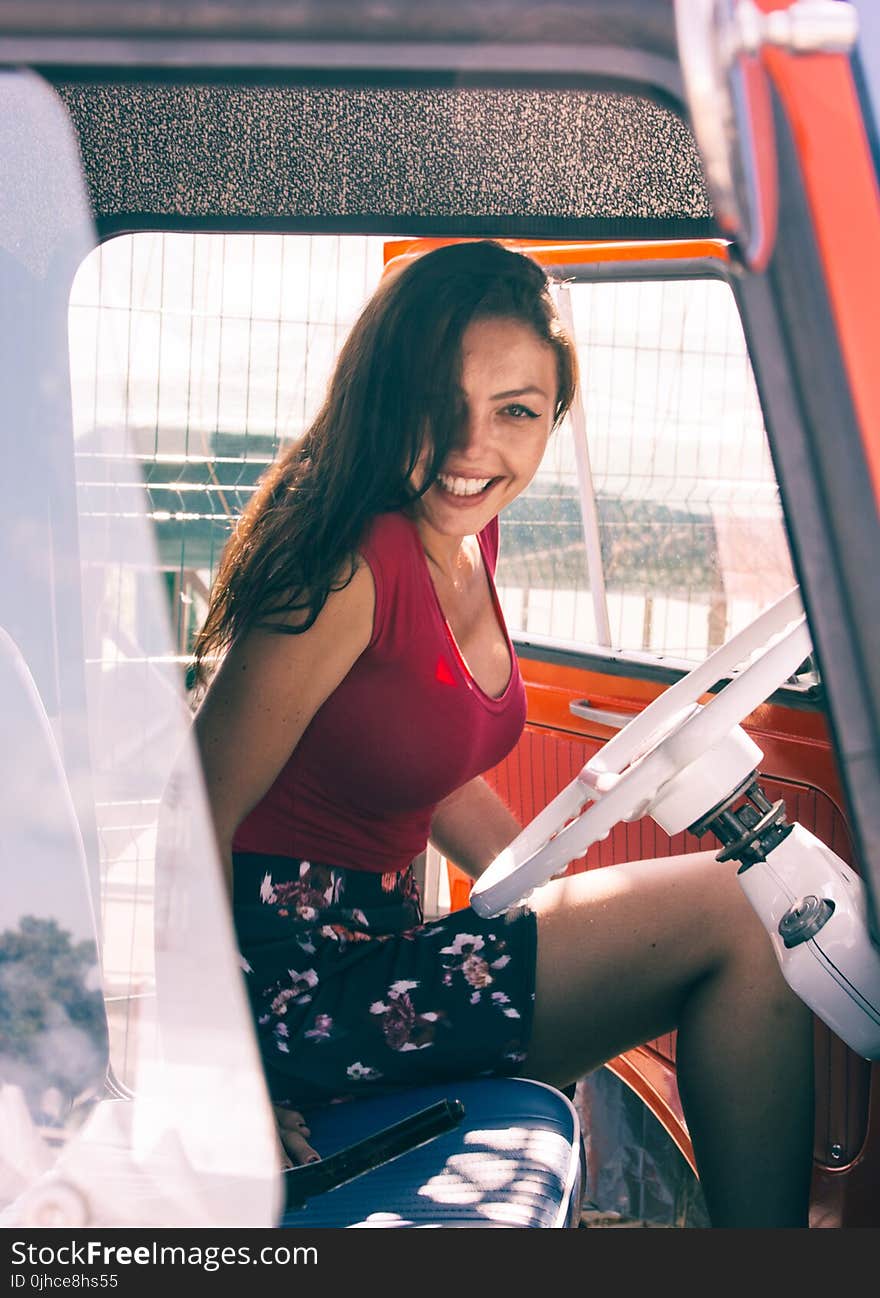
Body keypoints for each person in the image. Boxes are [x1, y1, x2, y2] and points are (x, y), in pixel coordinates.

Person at [190, 239, 815, 1227]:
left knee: (723, 908)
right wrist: (215, 1075)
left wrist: (547, 896)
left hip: (380, 954)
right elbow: (184, 820)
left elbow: (415, 761)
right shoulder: (348, 563)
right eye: (436, 403)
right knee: (735, 914)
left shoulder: (462, 527)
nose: (470, 447)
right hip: (297, 998)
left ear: (553, 417)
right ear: (380, 395)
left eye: (515, 410)